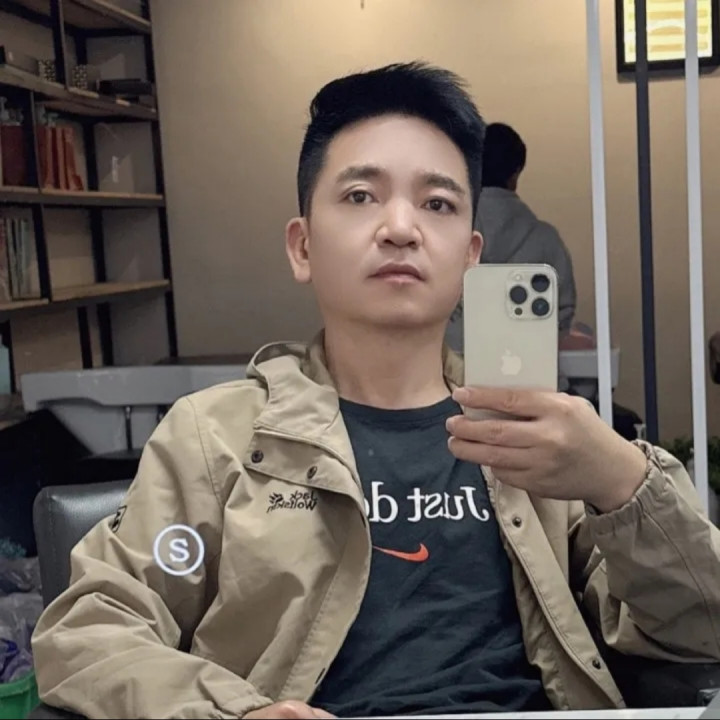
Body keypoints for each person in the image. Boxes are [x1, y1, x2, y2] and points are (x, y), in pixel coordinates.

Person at [32, 63, 720, 720]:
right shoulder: (216, 438)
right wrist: (236, 710)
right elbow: (90, 629)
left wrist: (623, 482)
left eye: (437, 203)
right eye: (361, 196)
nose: (400, 228)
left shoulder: (546, 437)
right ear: (302, 247)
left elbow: (699, 629)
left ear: (471, 256)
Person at [445, 122, 577, 353]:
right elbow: (561, 315)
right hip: (527, 365)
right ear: (516, 172)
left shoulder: (446, 235)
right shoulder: (546, 240)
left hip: (452, 369)